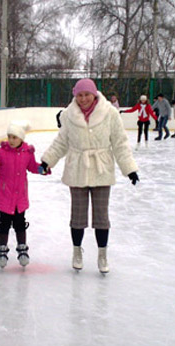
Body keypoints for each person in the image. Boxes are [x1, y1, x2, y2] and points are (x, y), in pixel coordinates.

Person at [40, 79, 139, 274]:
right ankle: (77, 251)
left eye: (87, 94)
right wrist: (47, 161)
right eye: (79, 95)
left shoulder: (110, 113)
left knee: (101, 217)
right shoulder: (69, 115)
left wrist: (129, 168)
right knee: (77, 216)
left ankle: (102, 255)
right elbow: (61, 142)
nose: (83, 99)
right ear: (75, 95)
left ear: (94, 94)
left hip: (101, 169)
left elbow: (120, 142)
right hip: (77, 168)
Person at [0, 121, 48, 269]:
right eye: (10, 137)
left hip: (20, 197)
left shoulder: (27, 153)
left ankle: (22, 249)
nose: (12, 140)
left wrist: (42, 169)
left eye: (15, 137)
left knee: (20, 223)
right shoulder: (1, 153)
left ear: (21, 138)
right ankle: (2, 249)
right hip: (5, 197)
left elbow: (32, 166)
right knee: (4, 224)